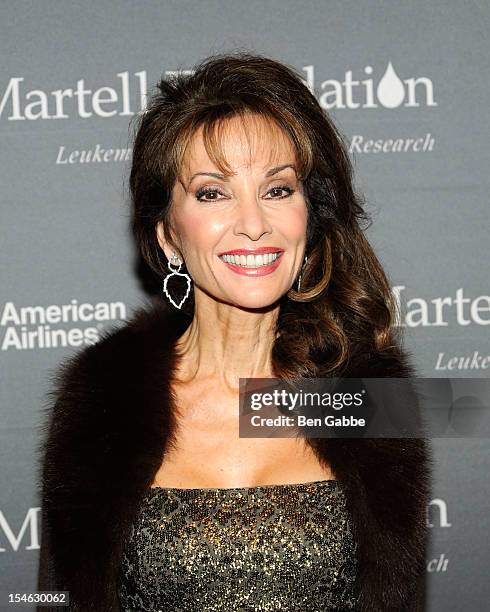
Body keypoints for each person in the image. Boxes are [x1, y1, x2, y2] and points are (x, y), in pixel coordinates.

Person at [36, 52, 432, 611]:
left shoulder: (368, 398)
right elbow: (59, 599)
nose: (253, 223)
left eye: (277, 190)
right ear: (168, 235)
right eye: (212, 193)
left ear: (309, 218)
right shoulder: (103, 401)